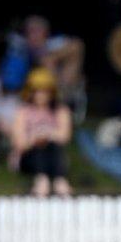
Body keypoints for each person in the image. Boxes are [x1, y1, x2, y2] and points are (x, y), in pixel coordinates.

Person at [12, 68, 73, 197]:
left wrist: (48, 133)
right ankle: (42, 180)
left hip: (53, 157)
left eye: (45, 91)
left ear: (52, 92)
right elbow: (20, 144)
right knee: (39, 147)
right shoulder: (23, 111)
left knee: (52, 145)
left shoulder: (61, 110)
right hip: (29, 157)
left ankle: (59, 180)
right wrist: (34, 137)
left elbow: (64, 137)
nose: (40, 95)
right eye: (37, 91)